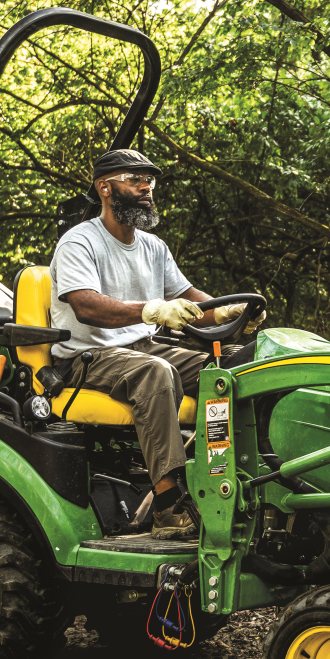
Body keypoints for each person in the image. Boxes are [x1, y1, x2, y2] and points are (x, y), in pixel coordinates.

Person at [49, 148, 257, 528]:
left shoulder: (152, 246)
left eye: (150, 181)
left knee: (240, 361)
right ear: (105, 188)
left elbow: (193, 299)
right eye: (135, 180)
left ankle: (247, 477)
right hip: (88, 355)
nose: (146, 188)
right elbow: (86, 306)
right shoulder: (79, 242)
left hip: (141, 349)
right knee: (157, 373)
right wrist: (151, 310)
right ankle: (168, 502)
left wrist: (230, 310)